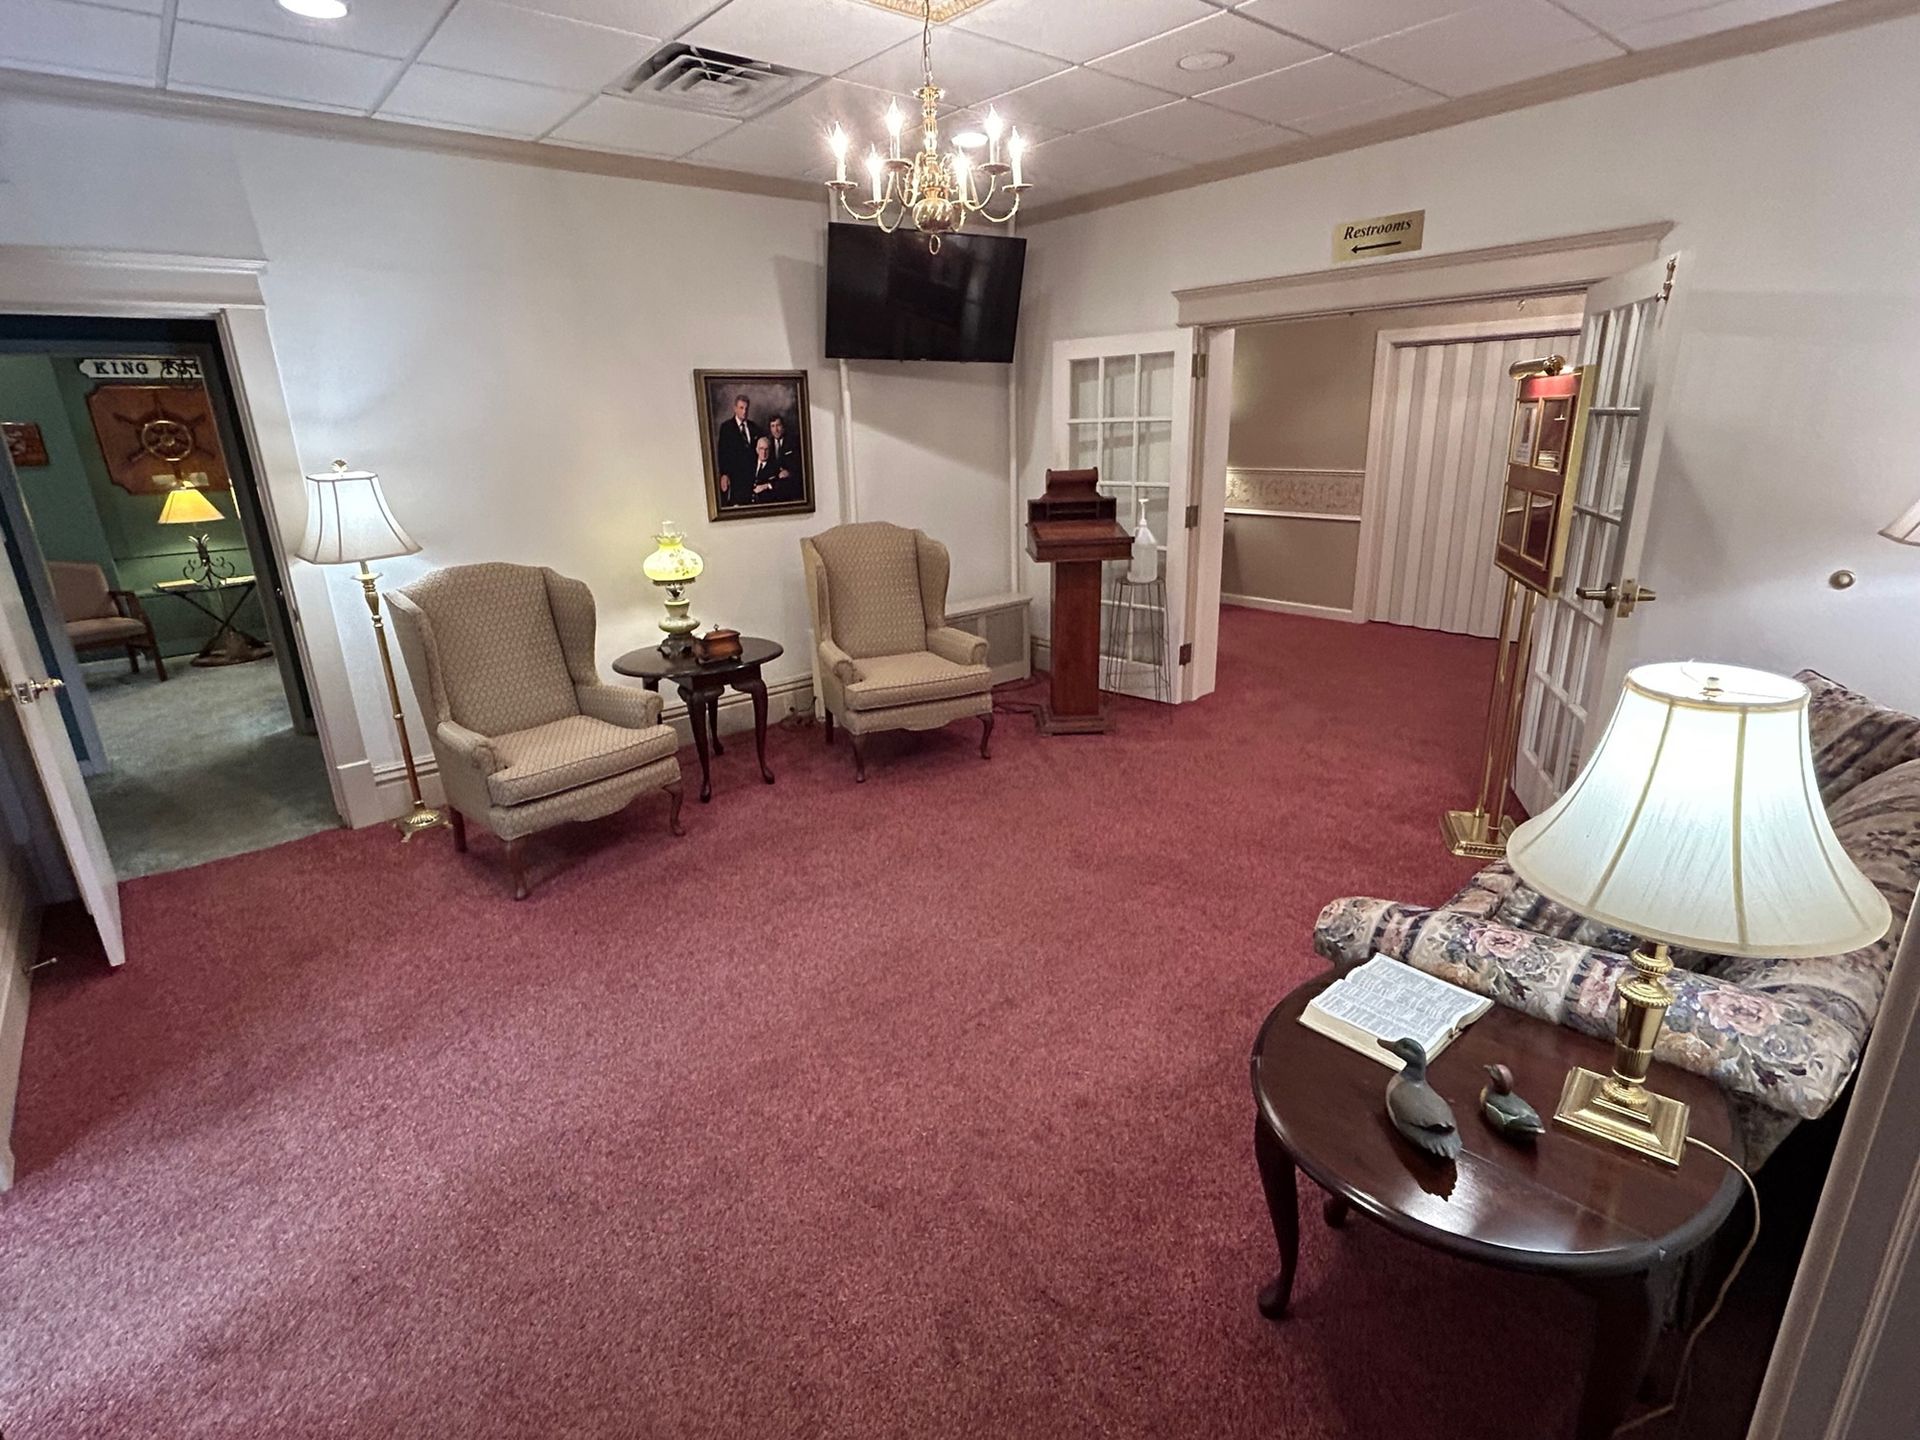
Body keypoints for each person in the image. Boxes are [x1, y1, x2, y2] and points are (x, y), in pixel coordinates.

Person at [714, 394, 759, 507]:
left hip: (752, 476)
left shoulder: (754, 427)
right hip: (735, 478)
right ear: (735, 408)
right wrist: (724, 474)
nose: (744, 411)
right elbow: (722, 452)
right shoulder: (727, 427)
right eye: (741, 408)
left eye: (746, 408)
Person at [765, 414, 805, 503]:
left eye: (778, 425)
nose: (776, 430)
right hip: (773, 488)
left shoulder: (794, 441)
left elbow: (800, 464)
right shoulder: (767, 444)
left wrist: (790, 472)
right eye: (773, 426)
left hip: (791, 486)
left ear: (783, 427)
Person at [748, 436, 781, 503]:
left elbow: (779, 485)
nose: (764, 452)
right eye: (761, 449)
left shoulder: (775, 467)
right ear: (757, 450)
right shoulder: (749, 465)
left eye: (766, 449)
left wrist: (766, 486)